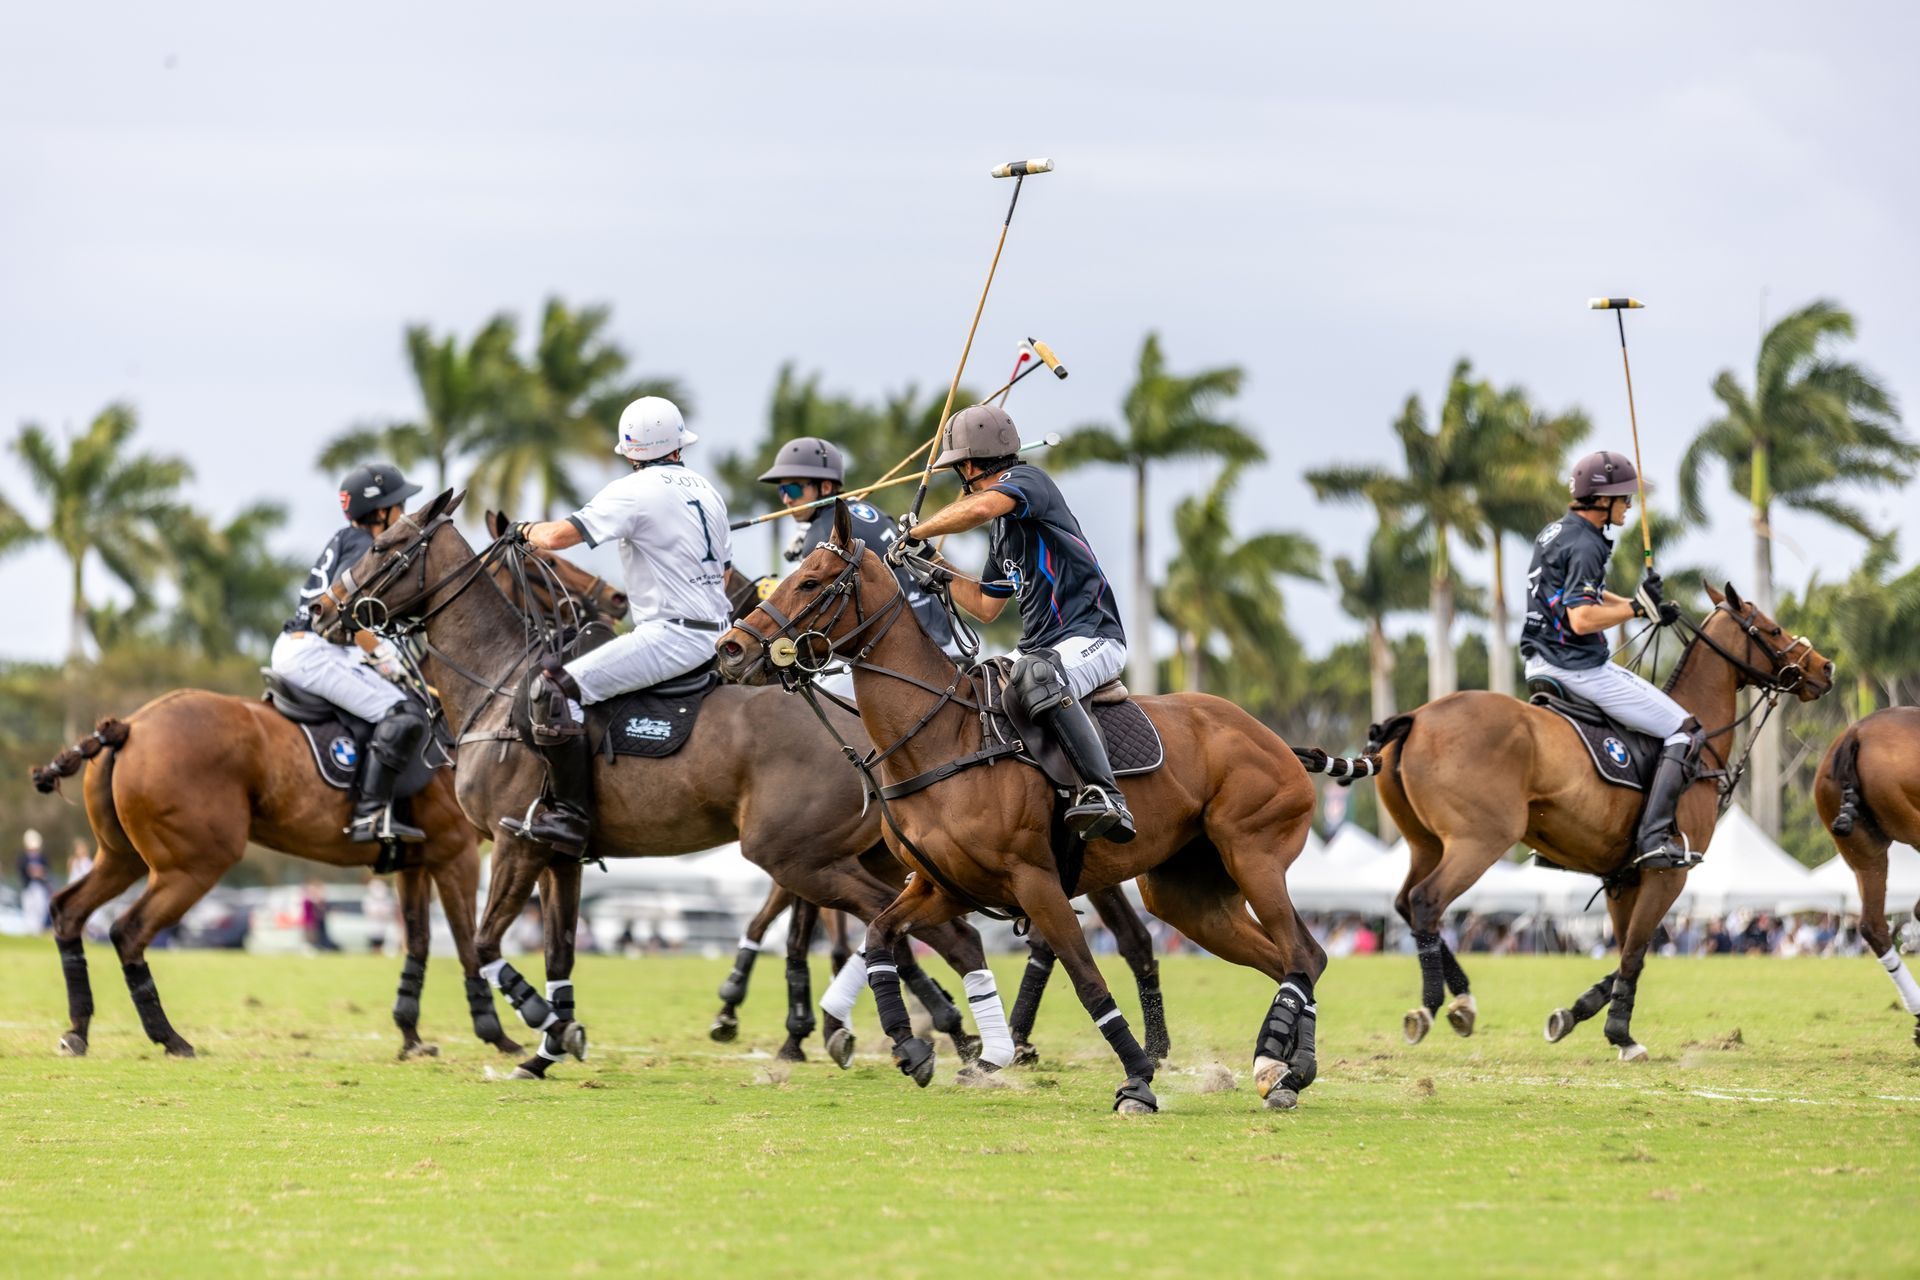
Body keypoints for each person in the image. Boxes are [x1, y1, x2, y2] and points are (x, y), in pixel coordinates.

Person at [891, 404, 1135, 844]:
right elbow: (985, 605)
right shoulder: (1003, 532)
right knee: (974, 686)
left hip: (1092, 635)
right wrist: (931, 563)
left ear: (967, 466)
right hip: (1039, 646)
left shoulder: (1027, 483)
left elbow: (981, 507)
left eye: (958, 472)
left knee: (1036, 674)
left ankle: (1108, 795)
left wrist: (917, 530)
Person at [506, 397, 733, 856]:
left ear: (630, 452)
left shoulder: (633, 491)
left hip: (670, 638)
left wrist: (523, 529)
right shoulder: (706, 490)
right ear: (678, 442)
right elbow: (725, 573)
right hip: (721, 633)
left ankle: (570, 816)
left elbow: (556, 538)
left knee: (552, 690)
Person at [1519, 450, 1699, 871]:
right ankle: (1654, 838)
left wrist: (1642, 604)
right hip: (1576, 666)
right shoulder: (1586, 544)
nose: (1629, 505)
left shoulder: (1558, 532)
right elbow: (1581, 618)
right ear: (1601, 500)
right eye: (1623, 497)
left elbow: (1585, 594)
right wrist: (1636, 610)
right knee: (1684, 732)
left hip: (1540, 661)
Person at [271, 463, 432, 844]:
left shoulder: (345, 537)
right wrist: (384, 656)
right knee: (404, 714)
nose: (404, 514)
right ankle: (370, 813)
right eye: (399, 506)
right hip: (318, 650)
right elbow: (346, 610)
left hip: (304, 646)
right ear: (380, 513)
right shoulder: (363, 545)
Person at [757, 436, 959, 658]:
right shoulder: (866, 509)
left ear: (824, 486)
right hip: (944, 630)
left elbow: (811, 604)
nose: (786, 499)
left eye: (793, 490)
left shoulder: (821, 532)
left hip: (912, 647)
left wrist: (777, 586)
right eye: (781, 491)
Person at [17, 829, 51, 933]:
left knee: (40, 907)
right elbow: (22, 870)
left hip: (40, 887)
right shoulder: (23, 858)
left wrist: (40, 872)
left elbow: (46, 870)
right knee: (29, 908)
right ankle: (30, 930)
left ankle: (38, 929)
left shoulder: (42, 858)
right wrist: (31, 871)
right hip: (28, 887)